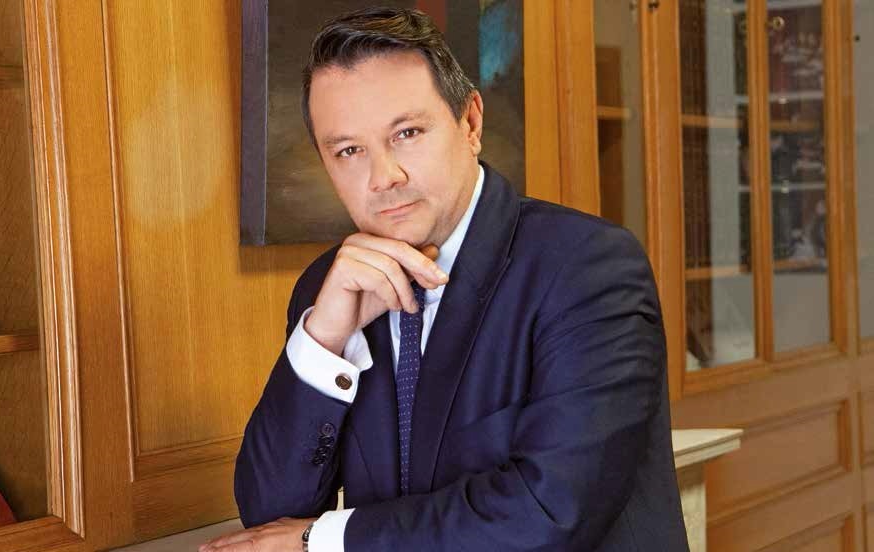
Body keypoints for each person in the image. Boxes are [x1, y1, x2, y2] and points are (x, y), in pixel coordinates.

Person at [202, 6, 689, 552]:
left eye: (407, 133)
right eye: (349, 151)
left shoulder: (588, 266)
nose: (384, 177)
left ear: (471, 123)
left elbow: (547, 511)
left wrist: (325, 538)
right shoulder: (331, 286)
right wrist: (323, 339)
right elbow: (269, 513)